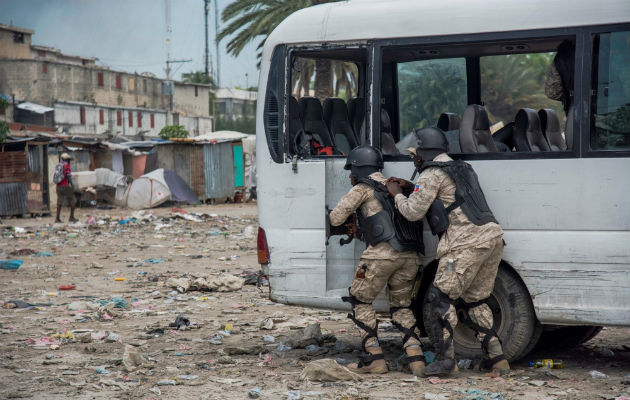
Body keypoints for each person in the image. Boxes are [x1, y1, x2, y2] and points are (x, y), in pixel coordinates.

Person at [385, 127, 510, 377]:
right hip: (492, 238)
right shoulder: (460, 167)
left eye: (416, 153)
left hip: (464, 244)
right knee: (475, 299)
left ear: (424, 151)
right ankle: (497, 359)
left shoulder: (431, 173)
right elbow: (447, 196)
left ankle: (445, 361)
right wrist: (413, 186)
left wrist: (397, 194)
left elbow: (412, 212)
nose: (414, 158)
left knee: (439, 300)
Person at [328, 145, 425, 375]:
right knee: (402, 306)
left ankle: (374, 359)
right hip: (409, 256)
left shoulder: (363, 188)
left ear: (358, 168)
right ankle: (416, 359)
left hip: (380, 256)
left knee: (360, 301)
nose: (350, 175)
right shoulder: (395, 185)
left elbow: (335, 218)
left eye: (351, 169)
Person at [55, 153, 77, 223]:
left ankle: (57, 218)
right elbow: (68, 176)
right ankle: (71, 217)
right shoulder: (66, 165)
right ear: (67, 159)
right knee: (73, 199)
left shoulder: (58, 165)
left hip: (58, 186)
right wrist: (72, 185)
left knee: (59, 202)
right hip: (65, 185)